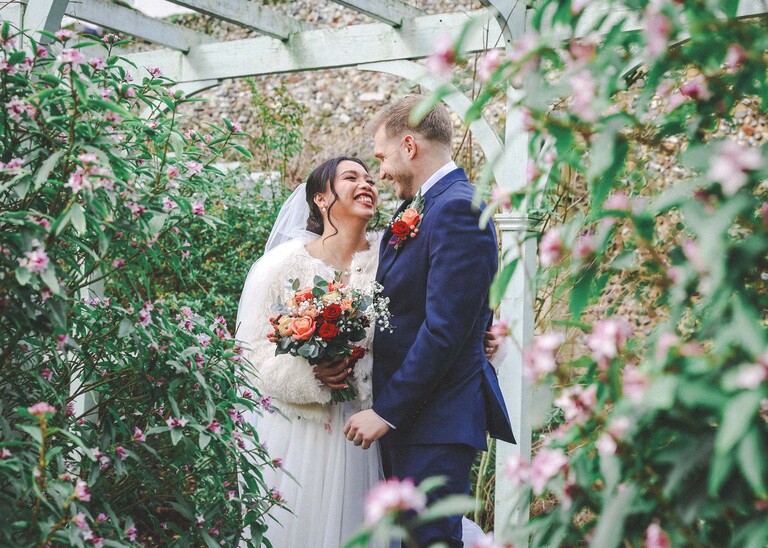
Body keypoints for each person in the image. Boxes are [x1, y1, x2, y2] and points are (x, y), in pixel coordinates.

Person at [343, 95, 516, 547]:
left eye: (381, 157)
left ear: (409, 145)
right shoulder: (423, 206)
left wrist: (386, 411)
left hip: (434, 419)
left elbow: (444, 329)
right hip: (418, 419)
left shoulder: (457, 208)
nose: (379, 171)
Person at [236, 156, 382, 547]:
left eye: (370, 178)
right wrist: (309, 376)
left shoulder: (388, 262)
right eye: (351, 177)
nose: (366, 183)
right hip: (300, 428)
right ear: (321, 198)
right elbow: (249, 354)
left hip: (366, 425)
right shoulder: (281, 266)